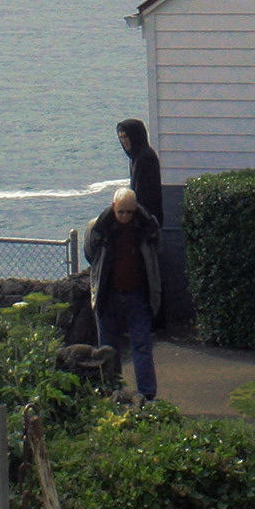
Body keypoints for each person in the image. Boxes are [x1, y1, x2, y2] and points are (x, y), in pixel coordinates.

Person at [85, 186, 162, 402]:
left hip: (138, 294)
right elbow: (91, 254)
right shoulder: (98, 228)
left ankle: (146, 395)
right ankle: (112, 392)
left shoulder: (147, 227)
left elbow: (156, 252)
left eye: (129, 212)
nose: (125, 216)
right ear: (113, 208)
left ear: (135, 209)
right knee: (108, 349)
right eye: (121, 212)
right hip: (108, 296)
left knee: (142, 345)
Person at [117, 118, 164, 224]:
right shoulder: (136, 156)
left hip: (146, 219)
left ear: (135, 136)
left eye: (126, 136)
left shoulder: (144, 158)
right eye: (121, 137)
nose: (124, 141)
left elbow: (143, 194)